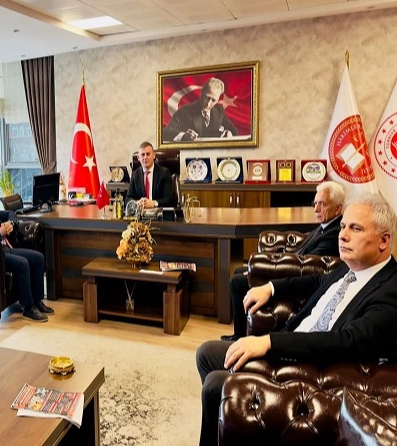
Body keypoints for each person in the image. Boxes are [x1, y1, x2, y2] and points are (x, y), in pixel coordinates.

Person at [196, 193, 397, 446]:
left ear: (384, 240)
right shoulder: (351, 266)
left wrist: (269, 342)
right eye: (343, 226)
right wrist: (271, 287)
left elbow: (347, 341)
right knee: (206, 353)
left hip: (311, 368)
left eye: (355, 228)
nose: (343, 235)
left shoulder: (391, 290)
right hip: (290, 343)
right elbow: (316, 280)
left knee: (215, 385)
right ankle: (227, 428)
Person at [221, 181, 345, 341]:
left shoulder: (334, 233)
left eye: (322, 204)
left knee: (237, 282)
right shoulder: (326, 225)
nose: (316, 209)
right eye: (315, 203)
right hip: (291, 270)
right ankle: (241, 330)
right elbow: (300, 254)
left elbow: (305, 266)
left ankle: (239, 336)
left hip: (297, 281)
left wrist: (262, 270)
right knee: (239, 271)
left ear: (338, 208)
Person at [0, 180, 54, 322]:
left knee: (38, 258)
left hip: (6, 248)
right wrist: (0, 233)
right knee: (23, 263)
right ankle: (28, 308)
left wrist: (10, 223)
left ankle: (37, 301)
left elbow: (11, 213)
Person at [163, 78, 239, 142]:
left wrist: (229, 133)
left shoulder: (219, 111)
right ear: (201, 93)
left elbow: (234, 132)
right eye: (207, 97)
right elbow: (167, 133)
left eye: (213, 100)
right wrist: (184, 136)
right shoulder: (184, 112)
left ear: (218, 99)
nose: (208, 103)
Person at [126, 141, 176, 210]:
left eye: (148, 154)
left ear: (154, 155)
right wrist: (137, 203)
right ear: (138, 158)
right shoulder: (135, 175)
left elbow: (169, 199)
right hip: (141, 213)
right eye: (142, 155)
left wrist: (153, 203)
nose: (145, 157)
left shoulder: (164, 173)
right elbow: (128, 198)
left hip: (159, 213)